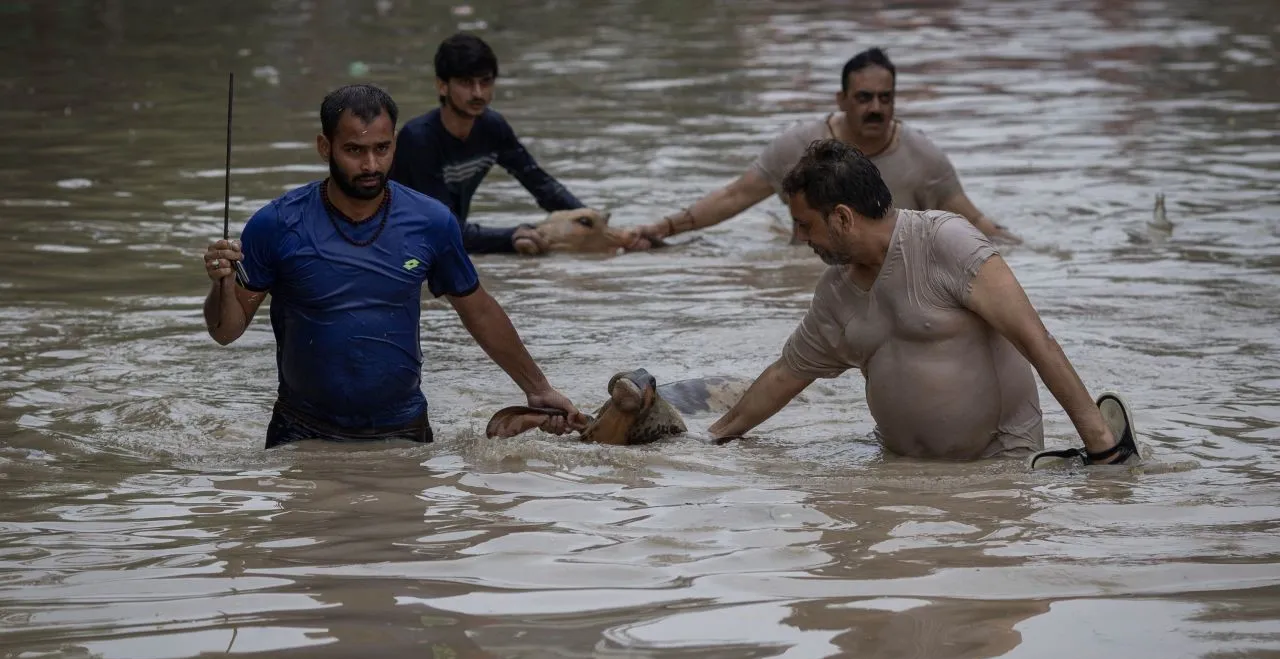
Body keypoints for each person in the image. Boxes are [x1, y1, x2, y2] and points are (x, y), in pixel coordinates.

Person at [202, 83, 587, 449]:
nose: (371, 164)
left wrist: (537, 388)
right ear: (325, 147)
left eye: (382, 149)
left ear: (395, 145)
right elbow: (226, 331)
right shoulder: (277, 224)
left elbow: (479, 310)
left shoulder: (431, 221)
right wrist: (220, 283)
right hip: (302, 432)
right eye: (354, 150)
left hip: (402, 429)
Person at [707, 139, 1137, 466]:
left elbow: (1036, 341)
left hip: (998, 469)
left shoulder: (947, 241)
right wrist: (712, 440)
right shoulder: (835, 291)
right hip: (898, 470)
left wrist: (1101, 447)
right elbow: (786, 373)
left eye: (804, 225)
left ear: (842, 217)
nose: (799, 238)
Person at [634, 47, 1024, 249]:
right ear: (841, 99)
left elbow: (974, 222)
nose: (876, 108)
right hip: (809, 265)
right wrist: (664, 229)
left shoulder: (924, 157)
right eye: (864, 97)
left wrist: (1037, 254)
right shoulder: (799, 145)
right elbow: (735, 195)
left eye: (885, 98)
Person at [389, 32, 592, 256]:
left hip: (447, 241)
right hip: (400, 250)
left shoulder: (492, 127)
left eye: (485, 82)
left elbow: (542, 186)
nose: (478, 93)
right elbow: (442, 229)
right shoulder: (419, 140)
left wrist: (593, 222)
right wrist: (513, 236)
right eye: (466, 83)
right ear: (442, 86)